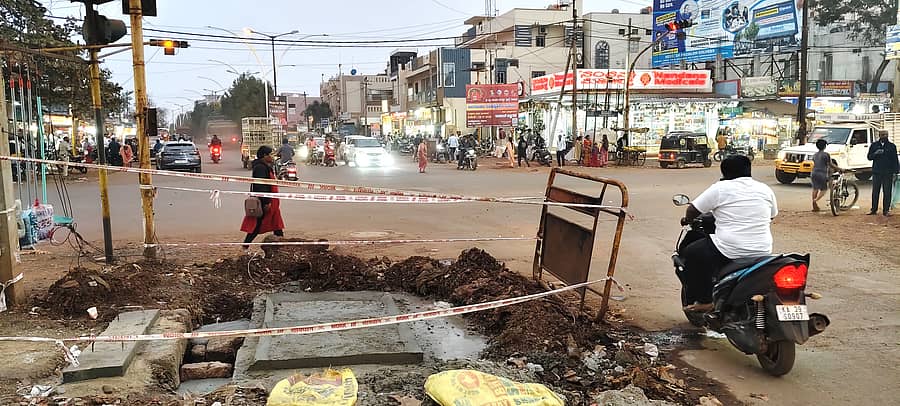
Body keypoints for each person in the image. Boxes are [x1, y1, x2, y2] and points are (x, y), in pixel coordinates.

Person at [680, 155, 778, 308]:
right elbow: (772, 215)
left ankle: (705, 301)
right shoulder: (765, 189)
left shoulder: (721, 188)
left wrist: (688, 220)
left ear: (724, 173)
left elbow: (693, 209)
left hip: (729, 249)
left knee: (691, 254)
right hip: (763, 250)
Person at [241, 146, 285, 248]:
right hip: (265, 201)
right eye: (270, 154)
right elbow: (261, 186)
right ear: (264, 156)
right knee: (258, 224)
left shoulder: (265, 166)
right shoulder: (260, 168)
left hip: (272, 201)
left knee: (276, 224)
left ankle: (281, 245)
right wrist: (266, 202)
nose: (272, 157)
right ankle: (245, 245)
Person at [867, 130, 900, 216]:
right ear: (879, 135)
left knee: (887, 192)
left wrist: (896, 172)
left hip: (888, 172)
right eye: (882, 135)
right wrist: (875, 153)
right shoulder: (874, 145)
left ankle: (886, 210)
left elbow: (895, 160)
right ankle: (873, 210)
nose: (884, 136)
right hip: (877, 172)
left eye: (886, 135)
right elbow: (869, 157)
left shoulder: (892, 146)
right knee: (875, 192)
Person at [810, 139, 836, 212]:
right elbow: (830, 164)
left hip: (814, 173)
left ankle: (814, 206)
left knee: (815, 189)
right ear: (825, 146)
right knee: (824, 189)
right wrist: (840, 168)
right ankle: (816, 200)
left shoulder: (815, 155)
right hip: (822, 173)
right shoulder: (826, 154)